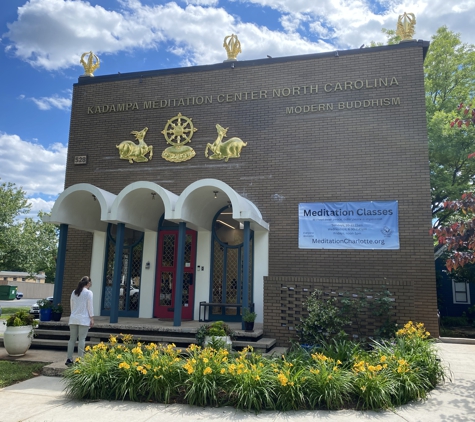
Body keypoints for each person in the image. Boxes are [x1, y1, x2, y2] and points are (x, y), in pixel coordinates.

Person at [66, 276, 94, 366]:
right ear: (88, 283)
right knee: (82, 339)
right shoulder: (89, 293)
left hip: (73, 318)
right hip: (84, 318)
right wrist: (92, 318)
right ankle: (79, 359)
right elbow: (90, 307)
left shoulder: (74, 292)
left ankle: (69, 359)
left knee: (72, 339)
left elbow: (72, 305)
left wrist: (73, 314)